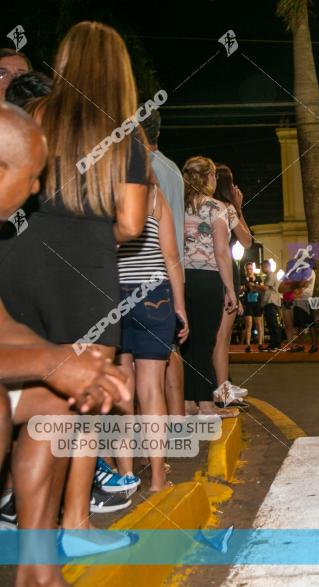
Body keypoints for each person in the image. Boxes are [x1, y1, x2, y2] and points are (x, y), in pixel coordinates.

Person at [0, 22, 150, 563]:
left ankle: (27, 531)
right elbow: (132, 226)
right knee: (80, 408)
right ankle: (75, 524)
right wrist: (87, 232)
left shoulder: (35, 114)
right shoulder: (126, 132)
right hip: (86, 272)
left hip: (22, 260)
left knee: (32, 396)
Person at [115, 182, 189, 492]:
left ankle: (126, 475)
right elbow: (171, 256)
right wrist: (180, 308)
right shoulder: (154, 193)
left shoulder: (105, 189)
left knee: (121, 390)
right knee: (152, 389)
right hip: (154, 296)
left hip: (113, 296)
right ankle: (158, 477)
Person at [181, 155, 239, 416]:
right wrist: (230, 289)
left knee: (187, 341)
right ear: (207, 177)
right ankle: (205, 402)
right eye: (213, 175)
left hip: (182, 278)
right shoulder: (217, 208)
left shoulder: (176, 205)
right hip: (207, 279)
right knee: (205, 341)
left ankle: (188, 401)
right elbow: (221, 252)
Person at [141, 109, 188, 418]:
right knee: (172, 351)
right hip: (175, 269)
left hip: (148, 269)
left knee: (145, 362)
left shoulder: (141, 168)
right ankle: (177, 419)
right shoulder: (173, 169)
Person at [212, 164, 252, 395]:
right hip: (226, 270)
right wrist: (238, 208)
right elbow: (246, 240)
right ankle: (222, 387)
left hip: (205, 271)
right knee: (223, 336)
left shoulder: (200, 206)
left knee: (210, 333)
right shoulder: (227, 208)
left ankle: (219, 382)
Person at [261, 259, 284, 351]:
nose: (262, 269)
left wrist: (254, 286)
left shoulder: (271, 275)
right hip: (269, 302)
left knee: (273, 324)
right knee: (271, 324)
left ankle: (276, 344)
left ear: (266, 266)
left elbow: (265, 288)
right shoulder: (269, 275)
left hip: (271, 302)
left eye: (262, 267)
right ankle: (273, 343)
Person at [241, 262, 265, 352]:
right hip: (248, 304)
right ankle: (248, 345)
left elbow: (263, 289)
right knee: (248, 325)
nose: (249, 270)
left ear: (253, 269)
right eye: (247, 269)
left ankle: (260, 344)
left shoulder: (258, 278)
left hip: (257, 304)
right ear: (245, 270)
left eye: (250, 269)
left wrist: (255, 287)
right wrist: (244, 288)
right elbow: (240, 290)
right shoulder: (243, 279)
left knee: (259, 325)